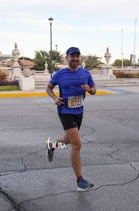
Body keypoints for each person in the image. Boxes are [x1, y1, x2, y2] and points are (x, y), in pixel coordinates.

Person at [45, 47, 97, 191]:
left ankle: (52, 145)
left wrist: (89, 89)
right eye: (72, 56)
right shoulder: (60, 74)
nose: (75, 58)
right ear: (67, 58)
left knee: (68, 140)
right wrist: (55, 98)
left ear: (80, 58)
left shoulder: (85, 73)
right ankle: (80, 180)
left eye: (77, 56)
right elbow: (48, 88)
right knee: (77, 144)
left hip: (79, 111)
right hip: (65, 111)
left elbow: (94, 90)